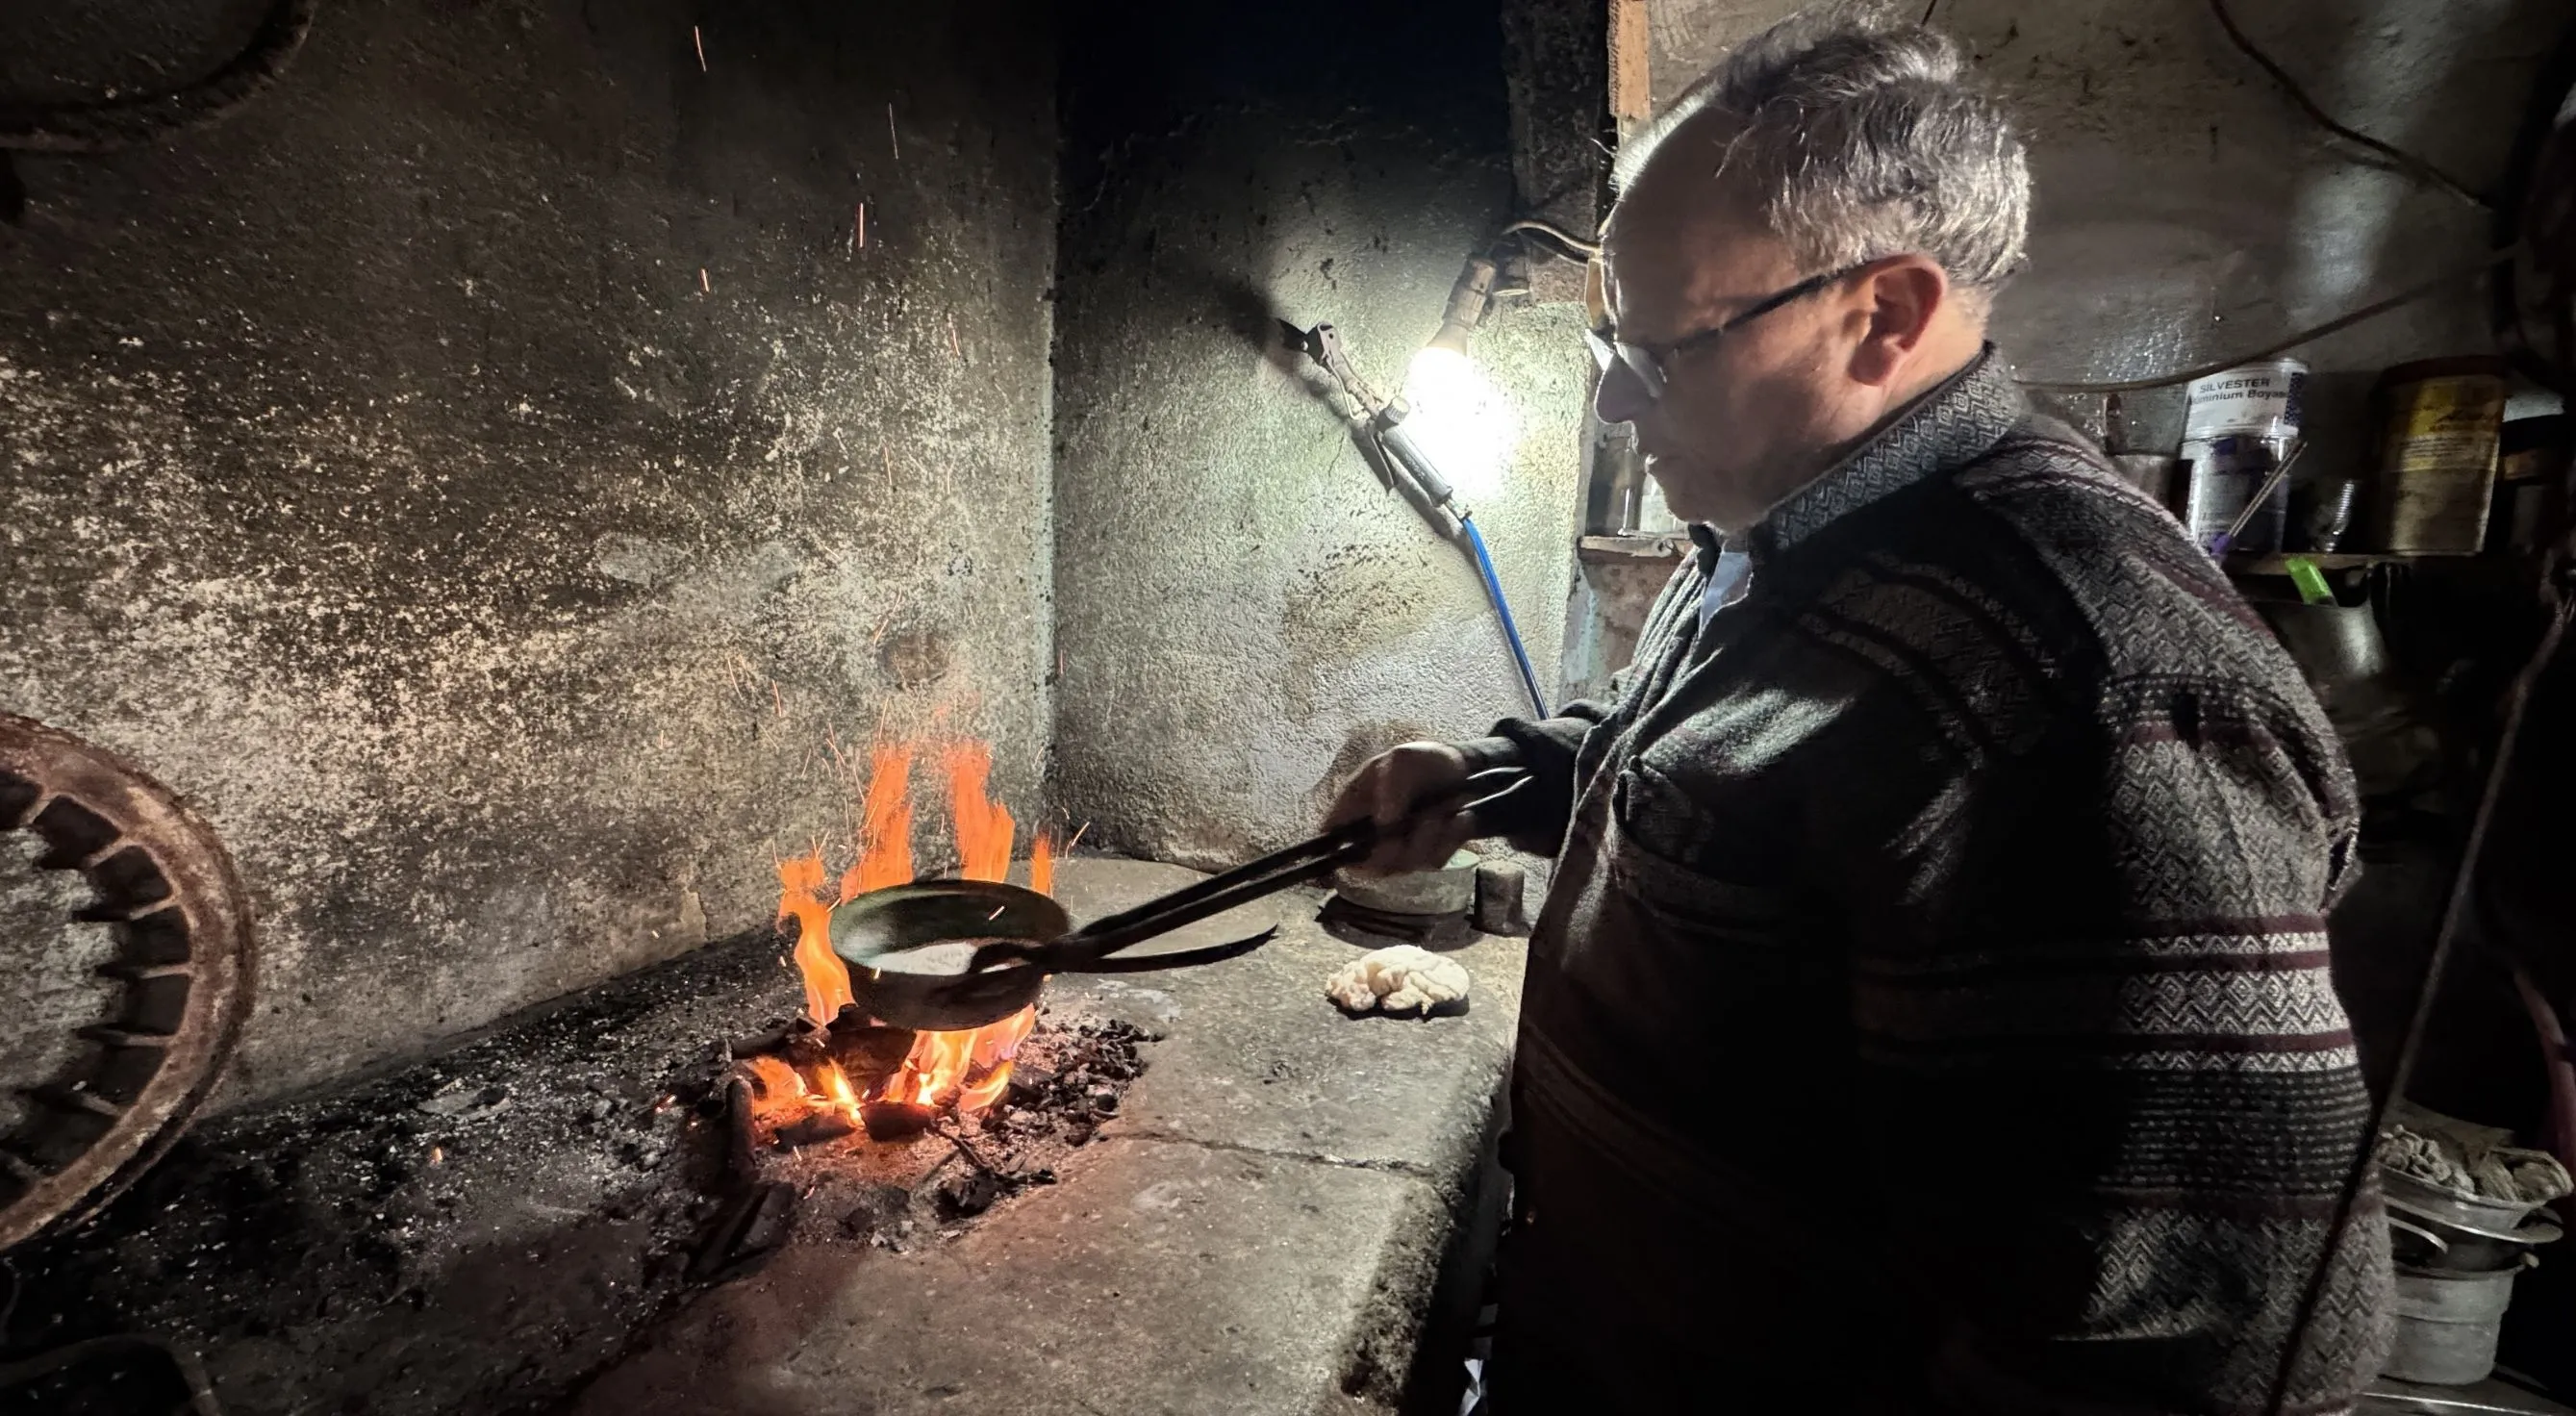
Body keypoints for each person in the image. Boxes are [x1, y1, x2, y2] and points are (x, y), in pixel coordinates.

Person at [1326, 8, 2391, 1412]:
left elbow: (2199, 1345)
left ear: (1879, 313)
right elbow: (1766, 789)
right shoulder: (1805, 531)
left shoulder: (2090, 682)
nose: (1617, 411)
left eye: (1656, 357)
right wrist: (1502, 781)